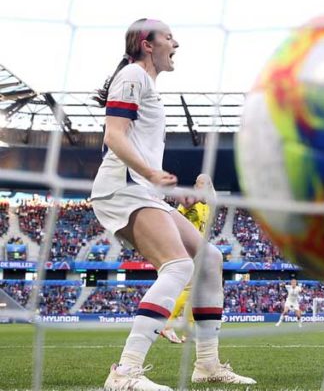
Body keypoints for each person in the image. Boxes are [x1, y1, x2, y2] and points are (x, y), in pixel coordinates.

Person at [90, 19, 255, 390]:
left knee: (209, 259)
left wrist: (157, 180)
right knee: (178, 266)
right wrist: (150, 171)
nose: (175, 42)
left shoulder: (143, 83)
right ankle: (124, 372)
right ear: (147, 45)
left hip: (141, 190)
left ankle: (208, 365)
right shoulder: (133, 75)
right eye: (168, 37)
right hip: (123, 188)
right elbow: (113, 136)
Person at [160, 174, 214, 344]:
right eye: (200, 183)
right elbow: (176, 219)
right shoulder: (191, 201)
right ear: (196, 185)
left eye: (207, 183)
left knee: (195, 292)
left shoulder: (208, 206)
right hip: (188, 249)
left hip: (199, 249)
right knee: (189, 288)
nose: (204, 186)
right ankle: (167, 324)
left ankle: (188, 331)